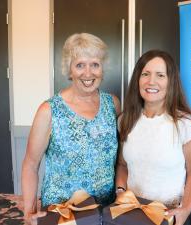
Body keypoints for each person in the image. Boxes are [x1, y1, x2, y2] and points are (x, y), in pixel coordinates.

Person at [21, 33, 120, 224]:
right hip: (62, 213)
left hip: (105, 211)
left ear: (102, 68)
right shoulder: (49, 110)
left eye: (95, 64)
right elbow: (30, 164)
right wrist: (29, 211)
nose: (88, 73)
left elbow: (120, 158)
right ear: (70, 70)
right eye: (80, 65)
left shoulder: (113, 104)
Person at [115, 50, 191, 225]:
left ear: (171, 82)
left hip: (168, 215)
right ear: (137, 80)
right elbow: (122, 165)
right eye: (146, 74)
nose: (151, 81)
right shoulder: (125, 120)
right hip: (131, 212)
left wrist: (185, 210)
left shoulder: (187, 124)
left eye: (160, 75)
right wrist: (120, 191)